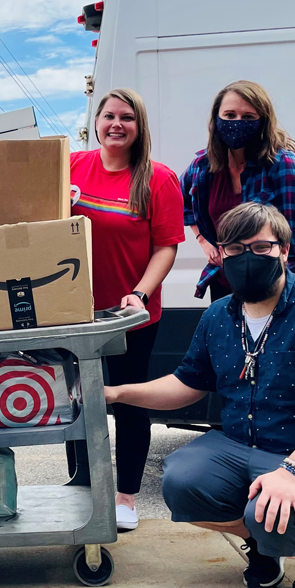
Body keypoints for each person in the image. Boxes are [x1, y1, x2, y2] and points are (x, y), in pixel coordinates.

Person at [106, 203, 295, 588]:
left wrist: (293, 473)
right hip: (245, 449)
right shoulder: (219, 316)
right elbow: (188, 384)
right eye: (234, 249)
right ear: (220, 253)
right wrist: (117, 394)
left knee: (271, 518)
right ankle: (267, 546)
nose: (246, 258)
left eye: (261, 247)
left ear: (285, 251)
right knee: (183, 484)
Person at [64, 88, 184, 531]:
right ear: (96, 121)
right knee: (74, 402)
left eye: (127, 118)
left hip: (130, 315)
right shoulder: (72, 166)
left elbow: (165, 247)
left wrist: (141, 293)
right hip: (71, 312)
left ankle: (125, 497)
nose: (116, 124)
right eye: (109, 115)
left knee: (130, 403)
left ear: (139, 126)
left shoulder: (158, 178)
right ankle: (82, 488)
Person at [180, 80, 295, 300]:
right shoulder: (203, 166)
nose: (237, 123)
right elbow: (178, 200)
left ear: (264, 121)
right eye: (230, 115)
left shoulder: (283, 165)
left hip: (272, 287)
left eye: (248, 117)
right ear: (216, 118)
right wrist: (203, 241)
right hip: (225, 283)